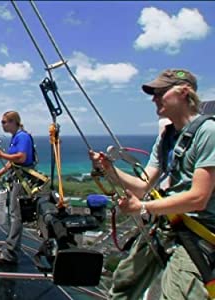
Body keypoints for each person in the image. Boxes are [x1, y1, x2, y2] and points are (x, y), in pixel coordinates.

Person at [89, 69, 215, 299]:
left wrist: (144, 208)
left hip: (199, 231)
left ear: (184, 92)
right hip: (169, 222)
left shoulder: (209, 133)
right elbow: (141, 186)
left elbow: (198, 198)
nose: (154, 98)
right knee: (124, 282)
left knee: (177, 294)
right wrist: (109, 169)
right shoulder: (168, 136)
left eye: (161, 92)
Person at [0, 111, 35, 264]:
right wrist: (1, 172)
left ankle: (10, 252)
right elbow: (13, 161)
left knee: (16, 216)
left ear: (13, 122)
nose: (2, 125)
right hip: (17, 178)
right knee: (13, 214)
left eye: (4, 122)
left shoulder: (22, 137)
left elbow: (21, 157)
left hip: (22, 180)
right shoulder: (15, 137)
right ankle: (9, 247)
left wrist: (2, 155)